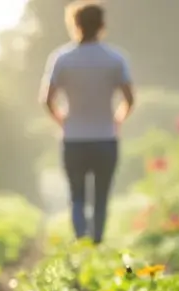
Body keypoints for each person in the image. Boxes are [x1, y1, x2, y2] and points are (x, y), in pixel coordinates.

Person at [41, 0, 134, 244]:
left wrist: (61, 120)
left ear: (74, 24)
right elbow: (129, 99)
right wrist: (118, 120)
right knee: (101, 197)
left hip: (73, 138)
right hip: (106, 138)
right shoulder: (115, 58)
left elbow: (47, 99)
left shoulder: (62, 58)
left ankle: (82, 242)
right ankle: (97, 241)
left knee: (77, 196)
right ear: (102, 26)